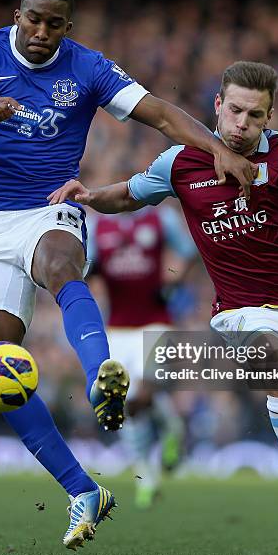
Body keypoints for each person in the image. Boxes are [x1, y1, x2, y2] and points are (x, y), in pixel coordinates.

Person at [0, 0, 255, 551]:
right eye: (34, 20)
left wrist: (217, 148)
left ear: (68, 27)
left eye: (55, 23)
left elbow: (162, 115)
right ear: (17, 16)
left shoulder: (89, 68)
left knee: (60, 264)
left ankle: (102, 375)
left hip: (53, 207)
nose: (42, 32)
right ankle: (83, 489)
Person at [49, 61, 278, 549]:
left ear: (268, 116)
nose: (241, 124)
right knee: (276, 365)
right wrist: (87, 196)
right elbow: (128, 195)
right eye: (234, 110)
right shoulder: (181, 161)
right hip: (240, 309)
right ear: (217, 106)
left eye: (254, 115)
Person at [86, 199, 196, 508]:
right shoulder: (99, 227)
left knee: (144, 392)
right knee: (124, 402)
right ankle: (146, 475)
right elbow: (86, 265)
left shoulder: (160, 219)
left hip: (155, 323)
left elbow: (188, 250)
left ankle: (171, 433)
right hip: (117, 328)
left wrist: (174, 279)